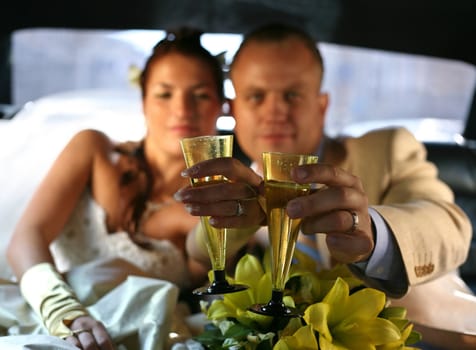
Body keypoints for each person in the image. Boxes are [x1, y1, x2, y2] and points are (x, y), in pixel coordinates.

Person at [175, 23, 476, 347]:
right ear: (234, 111)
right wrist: (236, 217)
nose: (275, 112)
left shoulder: (387, 149)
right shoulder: (237, 186)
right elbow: (197, 252)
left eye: (292, 95)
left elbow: (449, 223)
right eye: (256, 96)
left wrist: (371, 234)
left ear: (321, 106)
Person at [4, 27, 225, 349]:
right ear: (144, 102)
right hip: (45, 312)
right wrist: (63, 312)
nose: (182, 110)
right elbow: (27, 238)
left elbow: (206, 280)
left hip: (141, 333)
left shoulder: (212, 201)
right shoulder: (93, 151)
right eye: (165, 94)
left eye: (200, 95)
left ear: (221, 105)